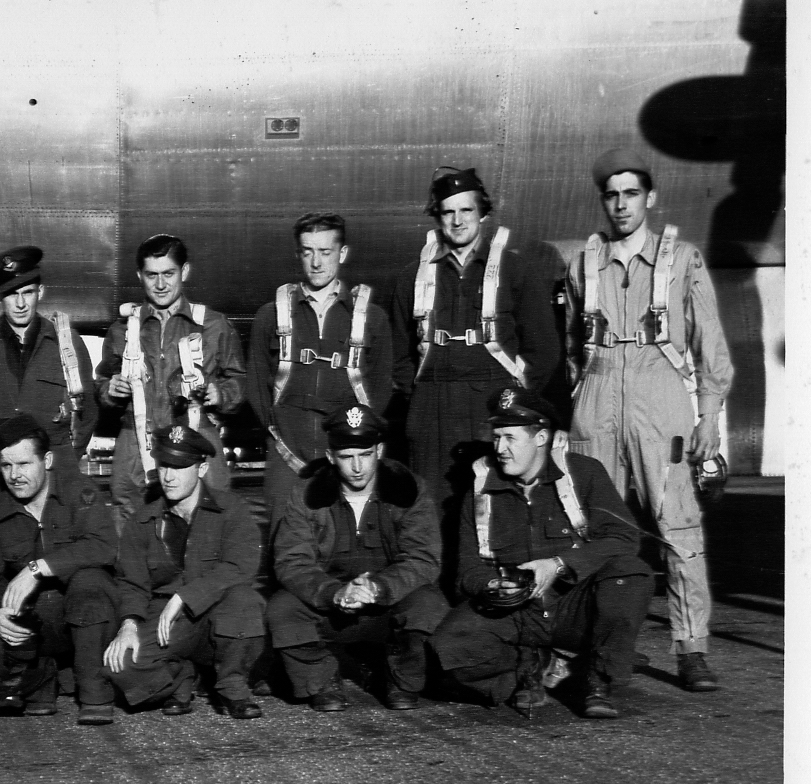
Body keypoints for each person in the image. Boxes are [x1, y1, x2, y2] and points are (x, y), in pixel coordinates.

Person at [564, 148, 733, 693]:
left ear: (650, 198)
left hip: (661, 397)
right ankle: (601, 647)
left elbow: (710, 343)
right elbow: (572, 347)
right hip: (596, 399)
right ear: (603, 200)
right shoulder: (582, 265)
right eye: (612, 195)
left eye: (631, 194)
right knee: (594, 528)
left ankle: (692, 650)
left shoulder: (682, 259)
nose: (621, 205)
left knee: (677, 525)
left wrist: (709, 416)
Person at [430, 388, 653, 718]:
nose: (499, 449)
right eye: (496, 437)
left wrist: (560, 565)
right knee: (448, 648)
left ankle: (597, 678)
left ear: (541, 437)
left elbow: (624, 538)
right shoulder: (479, 491)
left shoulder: (583, 474)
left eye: (510, 438)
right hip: (516, 611)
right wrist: (491, 585)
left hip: (574, 605)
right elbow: (466, 570)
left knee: (629, 576)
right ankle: (530, 668)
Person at [386, 167, 559, 525]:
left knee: (495, 507)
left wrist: (515, 401)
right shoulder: (410, 277)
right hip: (431, 407)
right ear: (437, 217)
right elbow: (398, 354)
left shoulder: (516, 271)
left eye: (466, 210)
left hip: (493, 406)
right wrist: (420, 398)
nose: (458, 220)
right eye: (448, 212)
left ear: (482, 213)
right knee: (430, 511)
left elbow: (544, 350)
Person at [268, 401, 449, 712]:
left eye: (365, 455)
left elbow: (423, 558)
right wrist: (334, 593)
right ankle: (321, 679)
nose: (357, 467)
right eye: (346, 457)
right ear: (330, 457)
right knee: (282, 608)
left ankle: (400, 678)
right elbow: (291, 561)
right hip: (330, 607)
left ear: (379, 450)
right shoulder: (306, 493)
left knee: (429, 604)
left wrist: (378, 587)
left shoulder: (409, 489)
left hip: (388, 603)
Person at [103, 425, 265, 719]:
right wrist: (128, 626)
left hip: (218, 613)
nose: (168, 476)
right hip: (168, 621)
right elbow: (131, 582)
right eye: (164, 465)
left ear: (201, 469)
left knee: (245, 601)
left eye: (179, 467)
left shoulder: (231, 509)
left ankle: (232, 686)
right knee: (122, 667)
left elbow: (241, 566)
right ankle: (183, 675)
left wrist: (184, 597)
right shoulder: (142, 521)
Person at [0, 416, 118, 723]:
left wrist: (38, 568)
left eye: (24, 464)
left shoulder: (79, 493)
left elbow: (103, 546)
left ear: (47, 461)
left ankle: (94, 692)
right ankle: (43, 677)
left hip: (82, 615)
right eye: (6, 466)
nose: (14, 475)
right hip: (32, 619)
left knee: (91, 580)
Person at [247, 212, 393, 518]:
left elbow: (380, 389)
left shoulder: (373, 318)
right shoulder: (270, 316)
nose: (316, 262)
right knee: (283, 536)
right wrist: (281, 430)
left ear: (342, 253)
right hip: (285, 452)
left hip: (345, 455)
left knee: (343, 537)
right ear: (298, 254)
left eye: (325, 252)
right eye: (308, 252)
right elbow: (256, 387)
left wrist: (353, 438)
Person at [95, 233, 246, 526]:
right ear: (139, 276)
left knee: (208, 521)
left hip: (196, 435)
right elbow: (102, 382)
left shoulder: (214, 325)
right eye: (152, 275)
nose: (161, 284)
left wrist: (221, 394)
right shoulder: (122, 330)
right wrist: (109, 390)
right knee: (130, 523)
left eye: (168, 274)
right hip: (136, 443)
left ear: (184, 272)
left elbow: (239, 381)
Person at [0, 245, 95, 512]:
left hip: (55, 466)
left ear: (40, 292)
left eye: (28, 292)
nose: (21, 304)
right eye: (12, 294)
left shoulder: (67, 344)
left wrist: (65, 458)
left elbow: (87, 412)